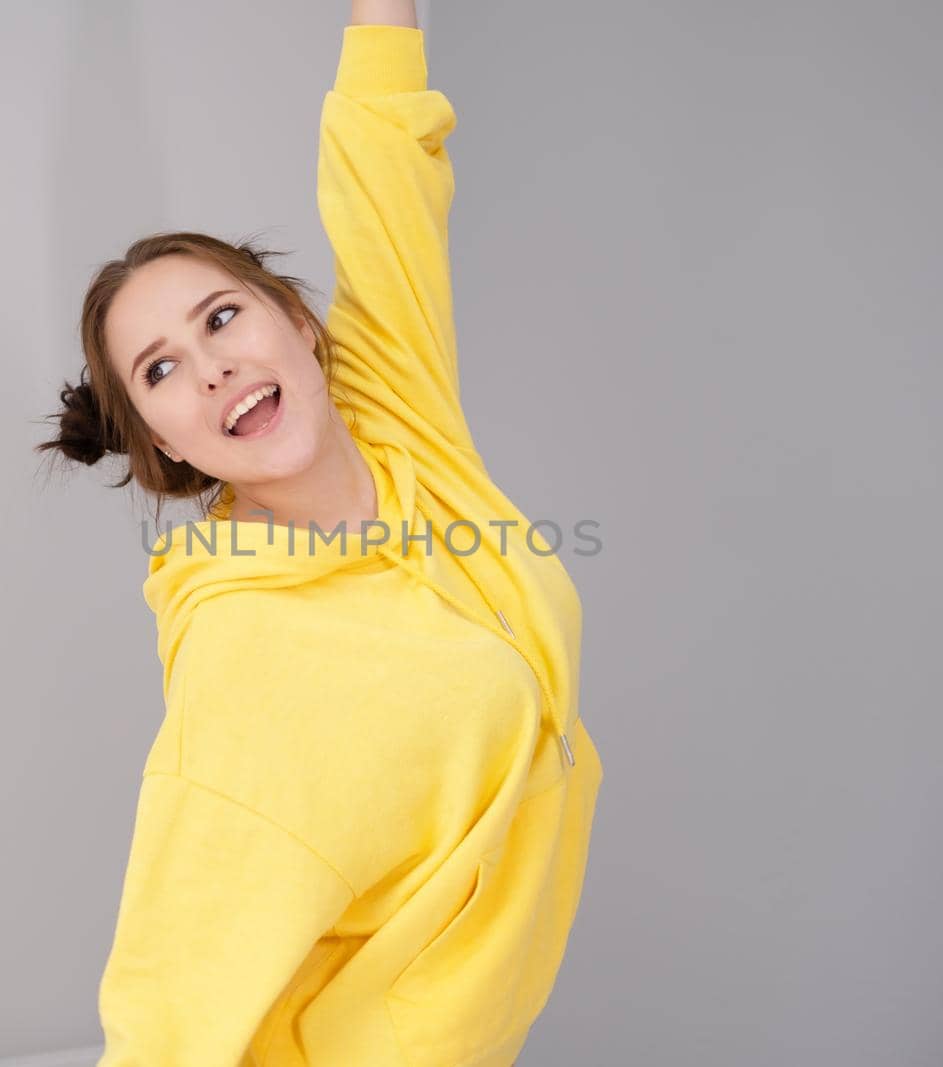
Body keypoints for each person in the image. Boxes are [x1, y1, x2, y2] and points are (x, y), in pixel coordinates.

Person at [37, 5, 603, 1064]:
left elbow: (382, 150)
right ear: (162, 437)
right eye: (159, 371)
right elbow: (174, 973)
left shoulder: (402, 422)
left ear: (298, 322)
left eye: (220, 317)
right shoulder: (246, 649)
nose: (208, 366)